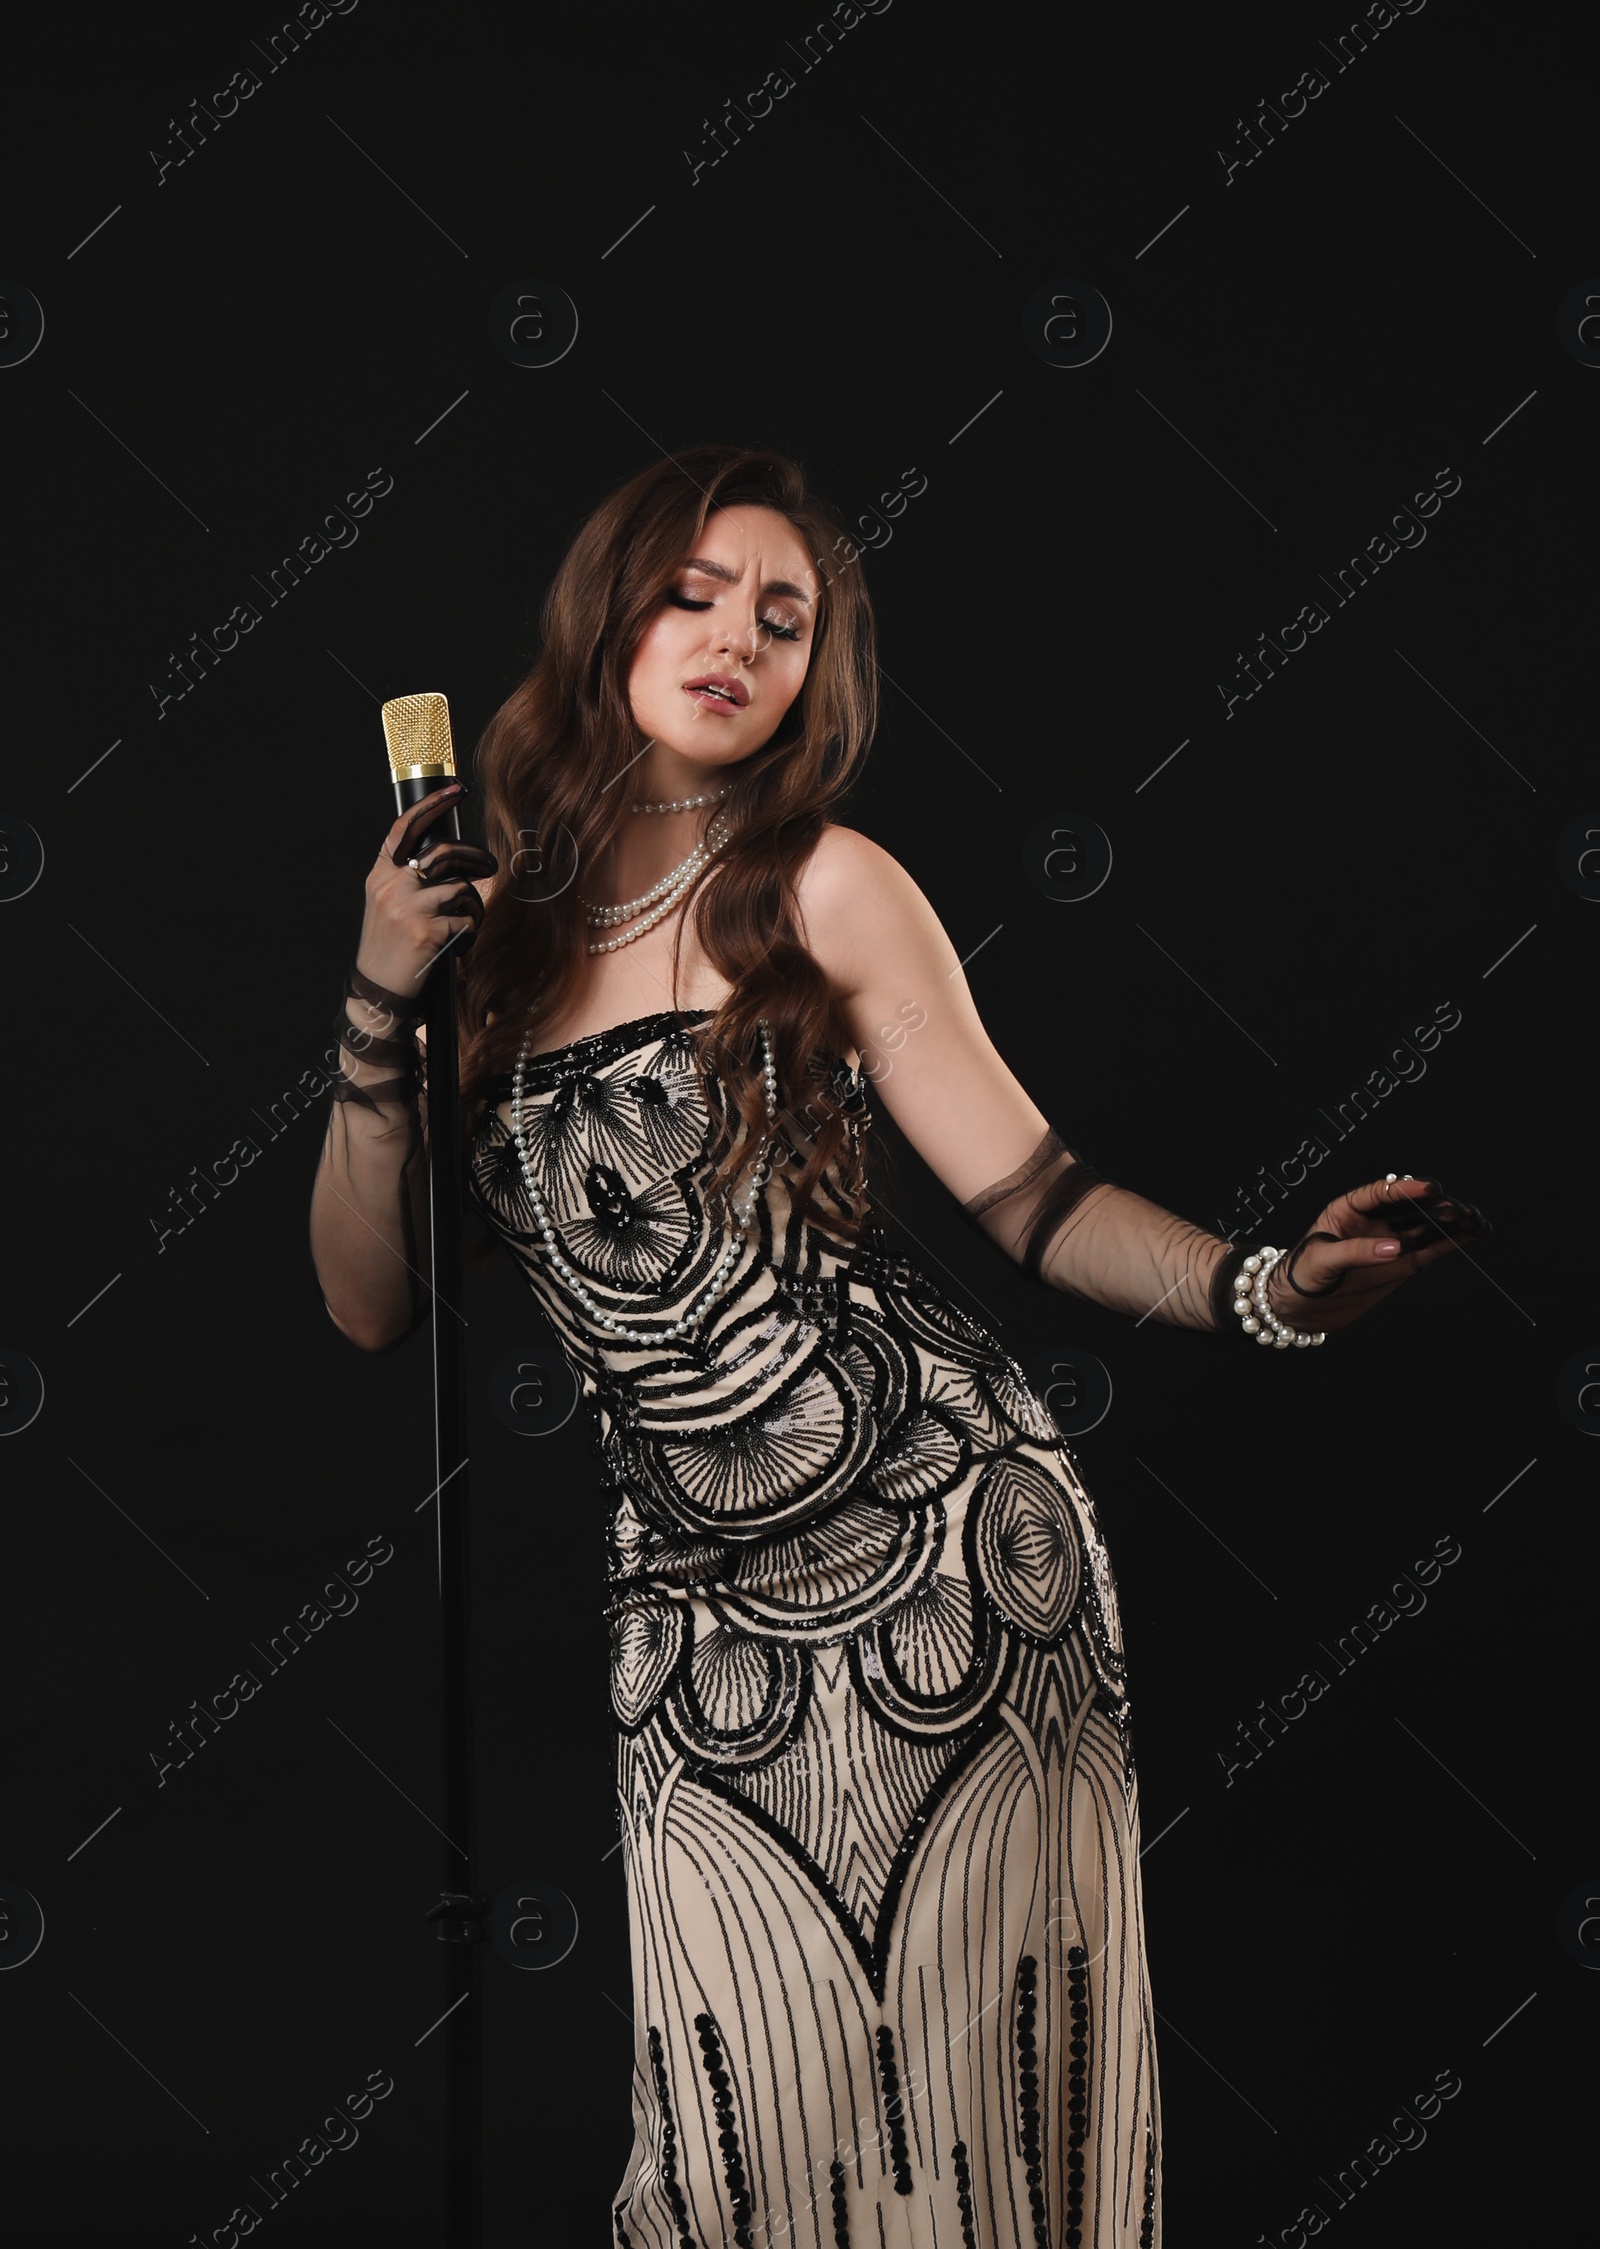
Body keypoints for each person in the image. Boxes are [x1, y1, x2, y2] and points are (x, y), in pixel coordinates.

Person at [309, 444, 1488, 2247]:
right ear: (602, 616)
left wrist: (1271, 1286)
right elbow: (369, 1298)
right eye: (696, 594)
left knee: (982, 2125)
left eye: (787, 618)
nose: (739, 640)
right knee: (733, 2142)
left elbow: (1037, 1192)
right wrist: (385, 992)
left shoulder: (828, 887)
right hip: (690, 1624)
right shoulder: (491, 949)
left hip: (951, 1559)